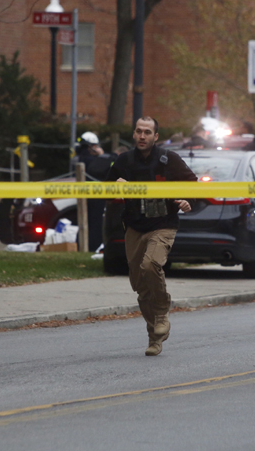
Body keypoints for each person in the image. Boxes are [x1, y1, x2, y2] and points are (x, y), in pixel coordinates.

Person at [106, 117, 197, 356]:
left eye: (147, 132)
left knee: (151, 265)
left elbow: (194, 185)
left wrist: (189, 200)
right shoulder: (124, 161)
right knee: (140, 286)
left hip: (163, 224)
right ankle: (154, 336)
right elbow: (104, 192)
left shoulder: (169, 160)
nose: (142, 136)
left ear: (156, 136)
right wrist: (115, 186)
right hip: (135, 226)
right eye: (138, 131)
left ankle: (162, 313)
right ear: (134, 134)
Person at [74, 131, 117, 252]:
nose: (97, 148)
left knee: (85, 223)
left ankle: (82, 246)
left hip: (85, 196)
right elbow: (112, 160)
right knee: (95, 223)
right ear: (90, 147)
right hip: (95, 196)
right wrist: (102, 154)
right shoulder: (92, 160)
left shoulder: (80, 158)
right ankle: (93, 247)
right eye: (95, 146)